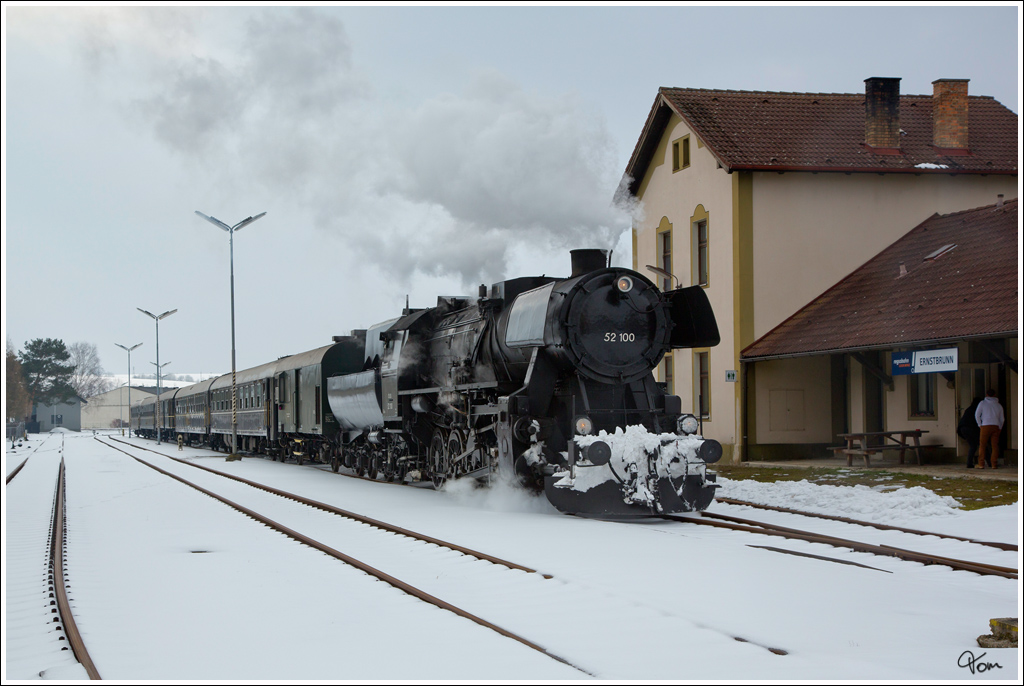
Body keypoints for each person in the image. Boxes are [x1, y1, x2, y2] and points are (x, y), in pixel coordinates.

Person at [974, 390, 1004, 469]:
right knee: (994, 446)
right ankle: (994, 463)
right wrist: (1000, 427)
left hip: (985, 425)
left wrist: (979, 424)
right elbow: (1002, 419)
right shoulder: (998, 405)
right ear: (995, 395)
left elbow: (977, 414)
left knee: (982, 445)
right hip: (995, 426)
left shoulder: (982, 403)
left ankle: (981, 463)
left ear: (986, 395)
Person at [957, 397, 983, 469]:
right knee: (981, 444)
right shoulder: (977, 410)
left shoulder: (969, 409)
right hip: (970, 428)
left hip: (963, 428)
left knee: (973, 446)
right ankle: (989, 462)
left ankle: (969, 463)